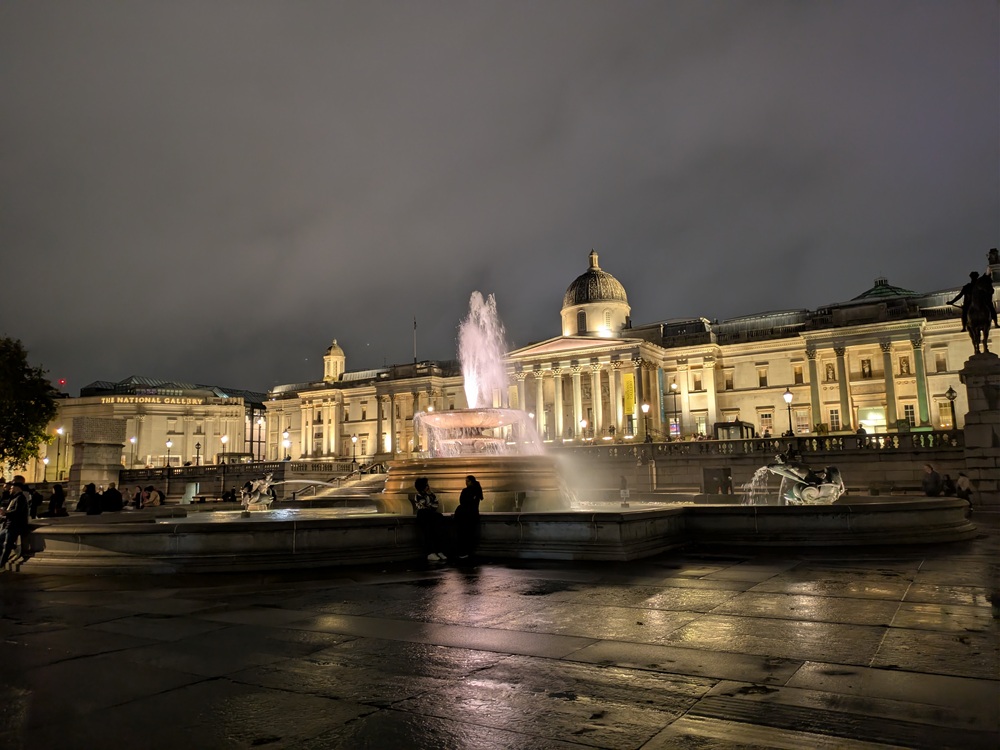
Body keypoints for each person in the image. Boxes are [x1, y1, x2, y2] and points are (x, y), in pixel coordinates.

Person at [413, 477, 446, 562]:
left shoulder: (431, 495)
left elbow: (435, 505)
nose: (428, 486)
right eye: (426, 485)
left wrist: (430, 496)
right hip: (423, 515)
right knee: (428, 532)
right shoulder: (418, 496)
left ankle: (438, 551)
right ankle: (430, 552)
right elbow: (424, 506)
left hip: (430, 514)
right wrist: (430, 500)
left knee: (437, 530)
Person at [1, 480, 31, 568]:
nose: (10, 489)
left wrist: (5, 512)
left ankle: (1, 564)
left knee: (7, 546)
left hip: (14, 526)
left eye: (12, 488)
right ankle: (14, 548)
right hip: (9, 525)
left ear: (17, 488)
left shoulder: (20, 498)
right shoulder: (15, 497)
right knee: (3, 542)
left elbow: (18, 512)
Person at [453, 475, 483, 560]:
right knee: (469, 534)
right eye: (466, 481)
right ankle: (467, 551)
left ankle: (463, 552)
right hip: (472, 515)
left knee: (464, 534)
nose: (466, 482)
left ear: (471, 481)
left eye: (467, 481)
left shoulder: (467, 491)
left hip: (466, 515)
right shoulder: (477, 490)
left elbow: (462, 501)